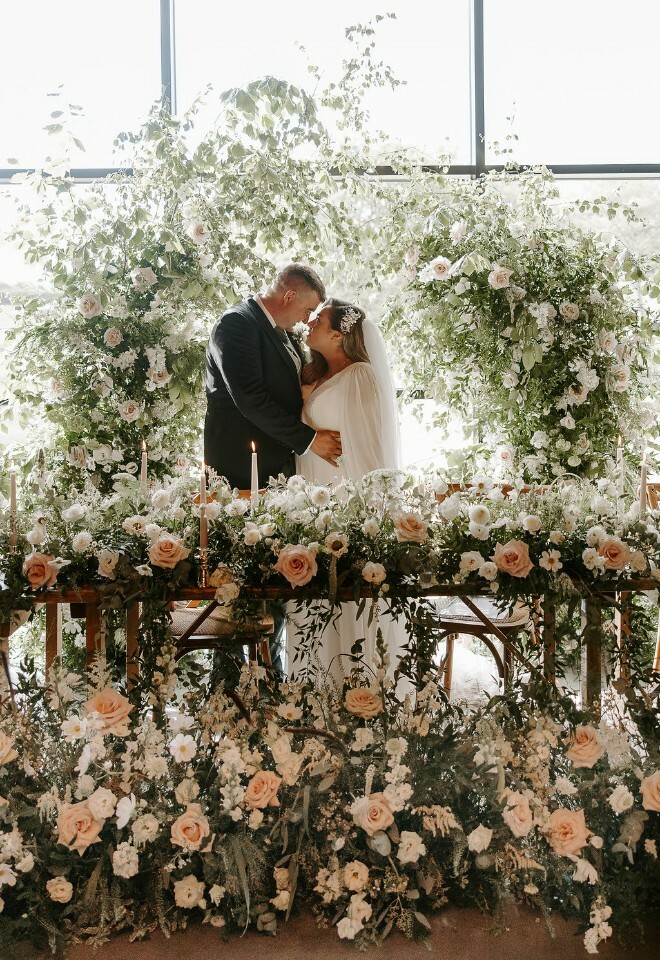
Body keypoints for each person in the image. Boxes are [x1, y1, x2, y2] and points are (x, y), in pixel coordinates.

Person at [204, 264, 342, 677]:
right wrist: (308, 439)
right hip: (240, 470)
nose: (308, 318)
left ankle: (269, 671)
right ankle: (228, 681)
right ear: (289, 296)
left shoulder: (282, 333)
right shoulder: (235, 325)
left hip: (278, 470)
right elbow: (250, 398)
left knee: (278, 569)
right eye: (308, 309)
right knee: (236, 575)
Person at [287, 298, 403, 684]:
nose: (310, 321)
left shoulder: (360, 376)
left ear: (338, 334)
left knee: (347, 597)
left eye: (318, 318)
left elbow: (372, 452)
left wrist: (369, 520)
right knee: (315, 597)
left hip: (344, 507)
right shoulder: (315, 374)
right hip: (312, 503)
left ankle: (358, 686)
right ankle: (314, 690)